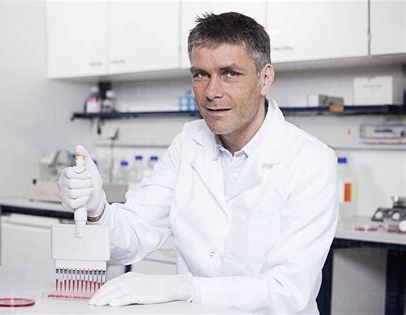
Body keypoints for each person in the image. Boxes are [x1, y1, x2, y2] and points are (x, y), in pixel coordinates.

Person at [58, 12, 338, 314]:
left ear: (265, 78)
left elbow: (288, 291)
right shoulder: (188, 143)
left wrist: (185, 287)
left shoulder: (311, 160)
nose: (212, 92)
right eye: (201, 74)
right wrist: (97, 209)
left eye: (230, 73)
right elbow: (135, 235)